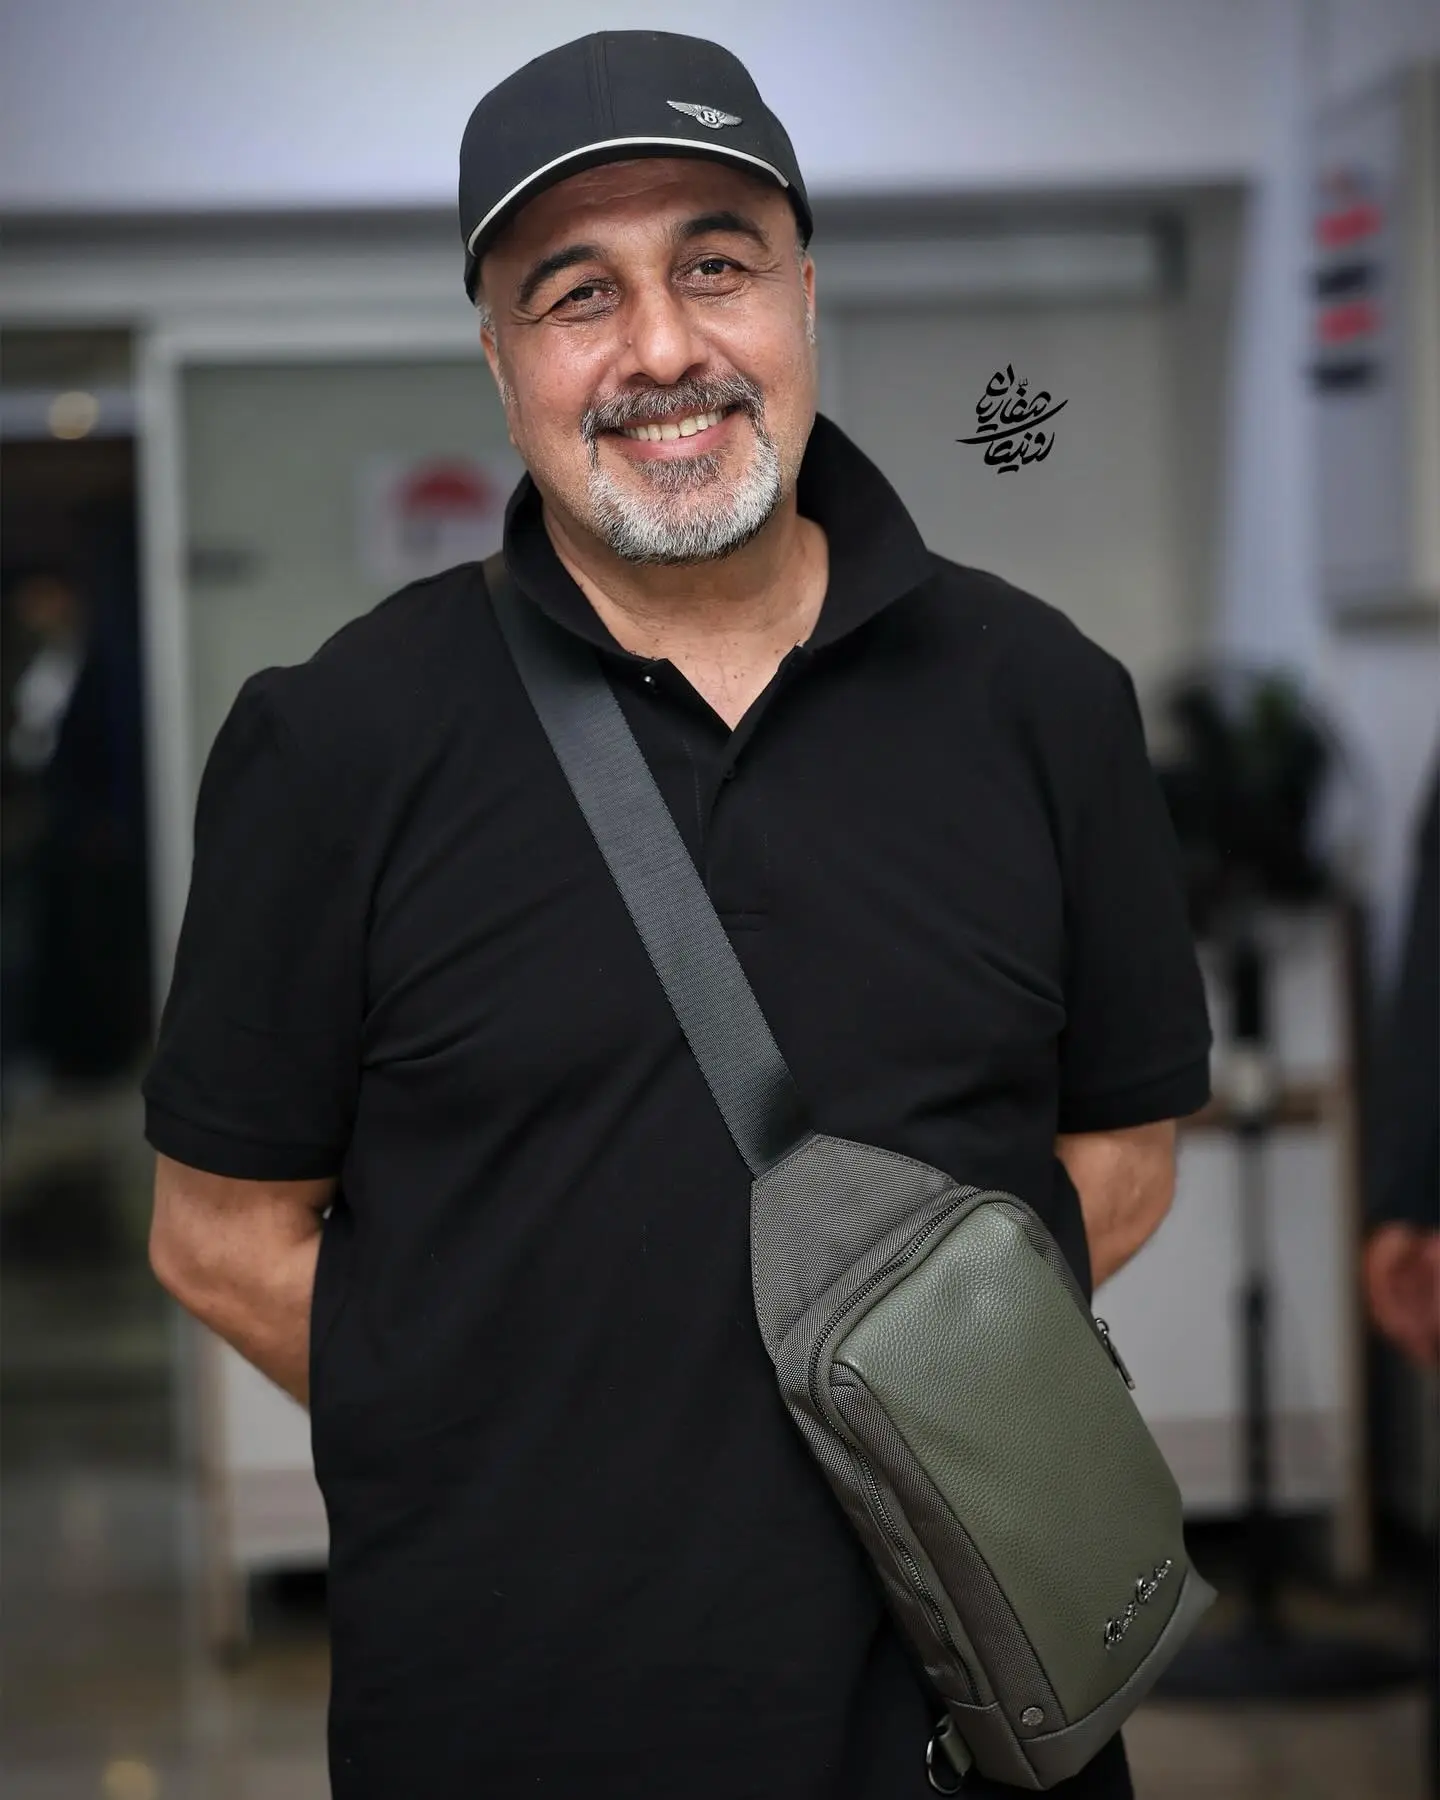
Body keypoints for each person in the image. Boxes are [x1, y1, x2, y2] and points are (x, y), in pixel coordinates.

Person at [144, 32, 1212, 1800]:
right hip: (509, 1723)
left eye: (716, 264)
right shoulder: (336, 742)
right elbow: (218, 1238)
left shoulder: (1044, 701)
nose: (660, 348)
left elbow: (1122, 1151)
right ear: (499, 359)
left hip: (968, 1708)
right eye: (577, 293)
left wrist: (924, 1410)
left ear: (803, 294)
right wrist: (519, 1463)